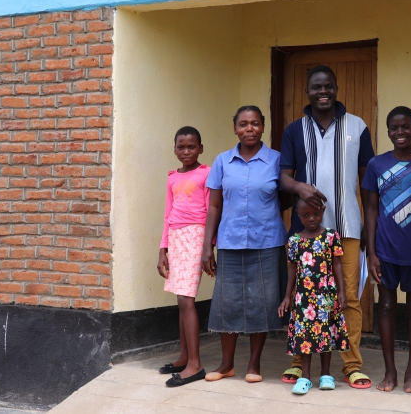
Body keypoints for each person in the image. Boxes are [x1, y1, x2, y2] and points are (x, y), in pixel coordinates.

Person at [279, 65, 376, 389]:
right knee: (302, 298)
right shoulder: (295, 130)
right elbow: (283, 176)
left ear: (336, 89)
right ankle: (298, 362)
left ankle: (352, 365)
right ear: (307, 92)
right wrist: (300, 188)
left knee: (348, 298)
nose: (323, 92)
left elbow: (367, 183)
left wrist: (366, 228)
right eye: (317, 87)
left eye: (328, 86)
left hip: (346, 228)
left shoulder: (357, 126)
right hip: (305, 234)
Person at [201, 105, 287, 383]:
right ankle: (226, 364)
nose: (249, 129)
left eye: (255, 123)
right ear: (235, 128)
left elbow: (286, 198)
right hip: (230, 241)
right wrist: (207, 247)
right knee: (229, 304)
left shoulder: (277, 160)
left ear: (263, 126)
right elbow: (214, 206)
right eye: (243, 124)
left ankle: (254, 365)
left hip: (267, 242)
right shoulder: (222, 161)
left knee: (261, 304)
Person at [361, 106, 411, 393]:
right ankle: (390, 373)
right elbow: (370, 209)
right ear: (388, 132)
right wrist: (371, 253)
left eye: (406, 126)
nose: (400, 132)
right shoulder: (376, 165)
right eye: (394, 128)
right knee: (385, 306)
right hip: (384, 251)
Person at [156, 126, 210, 387]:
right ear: (175, 149)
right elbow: (168, 215)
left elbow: (212, 212)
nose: (186, 151)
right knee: (180, 299)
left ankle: (195, 365)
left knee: (186, 299)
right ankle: (184, 356)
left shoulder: (206, 174)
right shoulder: (171, 178)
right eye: (181, 146)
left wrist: (210, 247)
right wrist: (162, 249)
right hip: (176, 238)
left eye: (192, 146)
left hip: (196, 236)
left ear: (201, 148)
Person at [278, 198, 350, 394]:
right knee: (305, 337)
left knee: (325, 333)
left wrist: (342, 292)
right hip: (303, 298)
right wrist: (287, 296)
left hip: (326, 295)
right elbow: (292, 269)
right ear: (298, 215)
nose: (312, 218)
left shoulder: (330, 236)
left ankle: (326, 375)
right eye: (306, 215)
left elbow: (337, 265)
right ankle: (305, 377)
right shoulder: (294, 240)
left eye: (316, 214)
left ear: (323, 212)